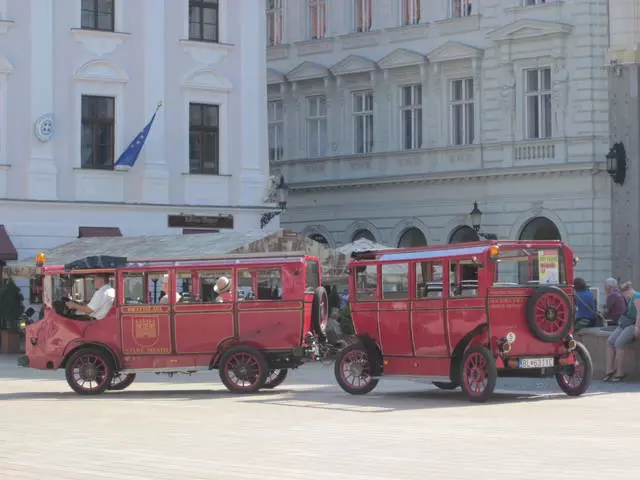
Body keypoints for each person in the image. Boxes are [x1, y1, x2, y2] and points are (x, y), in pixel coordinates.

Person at [603, 282, 640, 382]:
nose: (625, 296)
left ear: (628, 290)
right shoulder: (629, 298)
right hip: (625, 323)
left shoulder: (637, 296)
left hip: (633, 324)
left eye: (624, 293)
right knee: (610, 341)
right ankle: (609, 370)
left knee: (619, 343)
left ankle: (620, 372)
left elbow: (639, 314)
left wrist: (637, 328)